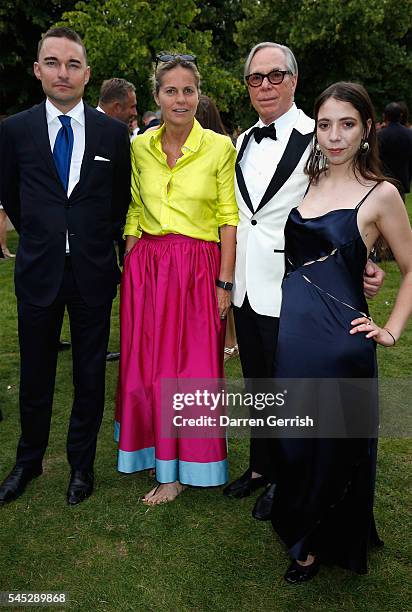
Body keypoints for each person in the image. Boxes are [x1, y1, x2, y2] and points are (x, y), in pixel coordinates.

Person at [223, 42, 385, 517]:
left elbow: (350, 199)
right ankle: (260, 465)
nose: (266, 85)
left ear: (294, 80)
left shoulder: (320, 136)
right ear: (248, 87)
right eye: (256, 78)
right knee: (257, 383)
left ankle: (288, 478)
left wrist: (364, 258)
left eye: (276, 75)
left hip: (299, 288)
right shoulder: (242, 140)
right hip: (248, 284)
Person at [270, 81, 412, 583]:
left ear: (367, 128)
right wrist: (363, 264)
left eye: (347, 124)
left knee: (334, 443)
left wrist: (391, 329)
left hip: (340, 344)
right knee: (294, 439)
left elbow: (410, 267)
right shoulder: (306, 184)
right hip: (294, 337)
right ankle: (303, 519)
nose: (334, 136)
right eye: (325, 124)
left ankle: (312, 545)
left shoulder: (382, 193)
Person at [0, 27, 131, 506]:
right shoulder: (14, 131)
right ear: (38, 70)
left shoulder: (114, 134)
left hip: (93, 273)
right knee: (35, 375)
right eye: (52, 62)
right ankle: (27, 461)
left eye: (73, 64)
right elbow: (12, 196)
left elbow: (118, 203)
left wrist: (92, 241)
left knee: (89, 375)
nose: (63, 72)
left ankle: (81, 465)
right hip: (38, 271)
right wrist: (44, 234)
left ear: (87, 74)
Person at [115, 54, 238, 505]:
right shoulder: (140, 146)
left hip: (198, 267)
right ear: (157, 96)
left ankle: (185, 468)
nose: (180, 99)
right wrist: (130, 253)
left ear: (198, 95)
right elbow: (133, 205)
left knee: (195, 369)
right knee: (147, 364)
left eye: (188, 90)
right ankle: (155, 454)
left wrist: (225, 283)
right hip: (148, 266)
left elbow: (228, 218)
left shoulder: (220, 147)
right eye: (171, 90)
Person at [195, 94, 239, 361]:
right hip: (212, 231)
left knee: (223, 288)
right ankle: (228, 339)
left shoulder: (222, 149)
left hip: (219, 230)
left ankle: (229, 339)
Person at [97, 77, 137, 361]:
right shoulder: (108, 131)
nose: (135, 112)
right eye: (132, 107)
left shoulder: (117, 131)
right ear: (116, 106)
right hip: (99, 235)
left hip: (111, 235)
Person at [377, 102, 412, 201]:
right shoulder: (409, 134)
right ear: (401, 116)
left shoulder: (380, 135)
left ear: (385, 115)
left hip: (384, 180)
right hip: (402, 179)